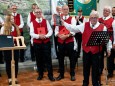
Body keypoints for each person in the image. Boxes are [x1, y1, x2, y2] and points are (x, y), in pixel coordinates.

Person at [62, 10, 112, 86]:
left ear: (98, 18)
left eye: (95, 18)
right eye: (91, 17)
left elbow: (107, 40)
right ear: (90, 18)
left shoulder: (103, 27)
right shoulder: (84, 25)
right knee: (86, 69)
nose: (93, 19)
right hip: (86, 52)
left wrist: (108, 49)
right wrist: (64, 23)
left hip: (97, 52)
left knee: (95, 69)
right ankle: (85, 83)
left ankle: (95, 83)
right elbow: (73, 28)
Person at [30, 8, 55, 81]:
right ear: (34, 13)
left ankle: (50, 75)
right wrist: (38, 36)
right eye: (36, 12)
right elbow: (31, 33)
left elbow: (50, 30)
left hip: (46, 43)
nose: (38, 13)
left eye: (39, 12)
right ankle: (40, 74)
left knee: (48, 60)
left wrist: (46, 36)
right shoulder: (32, 23)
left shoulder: (46, 21)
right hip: (37, 44)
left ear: (41, 13)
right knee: (39, 59)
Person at [55, 5, 77, 81]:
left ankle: (72, 74)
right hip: (60, 41)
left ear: (68, 10)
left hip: (69, 41)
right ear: (62, 10)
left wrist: (67, 36)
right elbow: (56, 30)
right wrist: (59, 35)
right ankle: (61, 74)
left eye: (66, 9)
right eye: (64, 9)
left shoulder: (72, 19)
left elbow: (73, 30)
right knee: (60, 59)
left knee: (72, 58)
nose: (65, 10)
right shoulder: (58, 18)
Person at [0, 13, 20, 85]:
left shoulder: (16, 27)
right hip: (7, 48)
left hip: (16, 47)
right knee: (8, 63)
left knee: (16, 62)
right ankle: (10, 78)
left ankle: (15, 77)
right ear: (7, 19)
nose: (12, 20)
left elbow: (18, 36)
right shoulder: (3, 28)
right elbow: (1, 37)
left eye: (13, 18)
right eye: (11, 19)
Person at [99, 6, 115, 78]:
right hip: (100, 41)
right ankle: (100, 69)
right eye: (104, 10)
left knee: (110, 57)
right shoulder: (99, 19)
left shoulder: (113, 20)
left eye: (107, 11)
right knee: (100, 56)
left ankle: (110, 72)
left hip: (109, 41)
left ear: (109, 12)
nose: (105, 12)